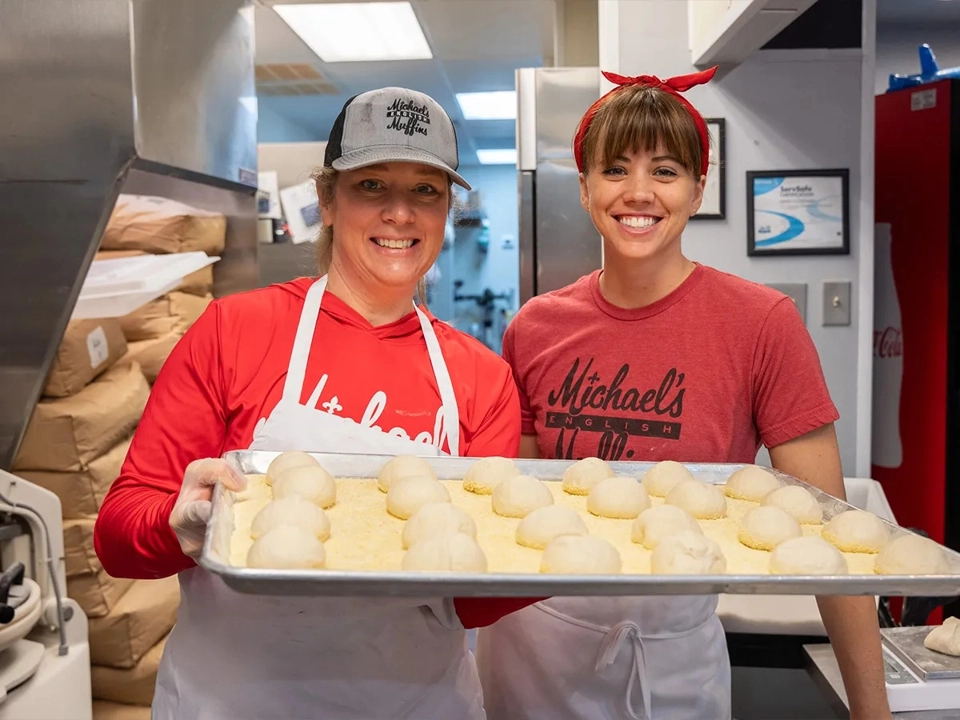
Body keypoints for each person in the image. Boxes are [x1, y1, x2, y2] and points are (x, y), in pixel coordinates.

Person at [94, 86, 537, 720]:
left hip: (414, 705)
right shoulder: (234, 331)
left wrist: (550, 561)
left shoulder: (482, 378)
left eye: (426, 191)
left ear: (446, 211)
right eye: (372, 186)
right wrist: (178, 524)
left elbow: (471, 602)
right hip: (234, 705)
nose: (400, 214)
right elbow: (116, 537)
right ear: (327, 200)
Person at [476, 68, 892, 720]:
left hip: (673, 656)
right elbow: (514, 514)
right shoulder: (535, 327)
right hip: (535, 648)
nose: (638, 192)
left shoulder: (760, 324)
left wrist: (872, 711)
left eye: (665, 171)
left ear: (698, 189)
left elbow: (829, 536)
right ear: (584, 188)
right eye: (615, 169)